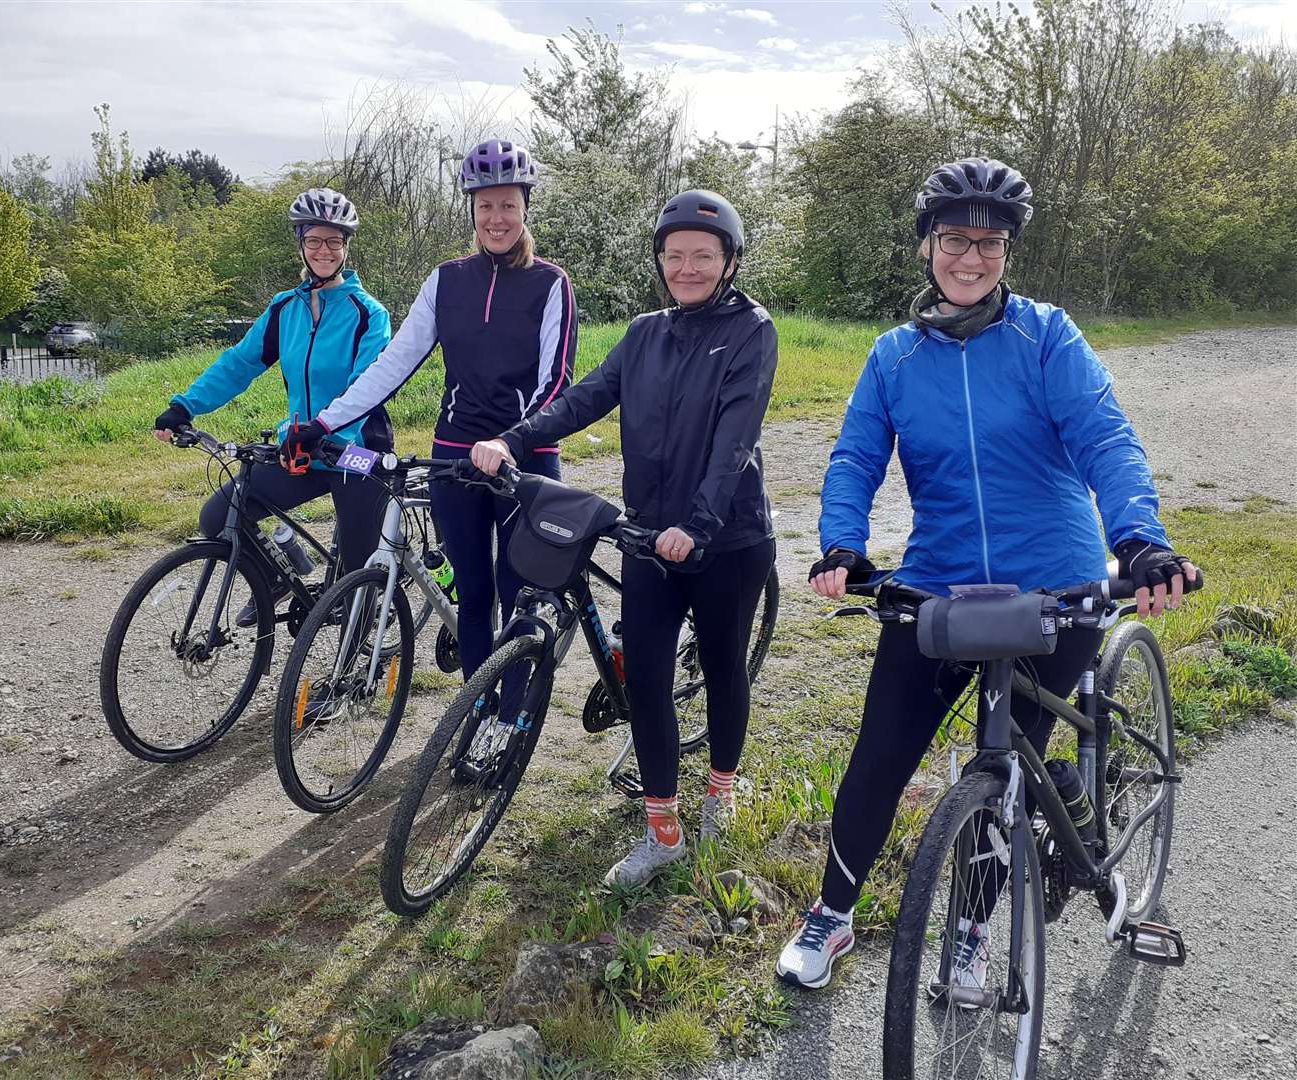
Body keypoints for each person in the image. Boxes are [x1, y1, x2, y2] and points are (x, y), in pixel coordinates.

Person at [774, 157, 1199, 991]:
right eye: (954, 239)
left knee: (1005, 761)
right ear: (926, 245)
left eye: (990, 242)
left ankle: (969, 934)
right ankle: (832, 916)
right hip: (941, 583)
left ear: (1008, 252)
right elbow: (857, 455)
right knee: (880, 755)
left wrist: (1140, 540)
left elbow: (1104, 438)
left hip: (1058, 584)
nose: (971, 258)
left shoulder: (1047, 336)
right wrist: (842, 546)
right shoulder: (894, 355)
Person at [471, 189, 778, 887]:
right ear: (660, 262)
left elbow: (736, 437)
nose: (688, 268)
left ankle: (722, 789)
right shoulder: (645, 332)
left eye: (703, 255)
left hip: (726, 540)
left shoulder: (753, 330)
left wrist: (697, 525)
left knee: (726, 667)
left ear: (729, 261)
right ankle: (661, 828)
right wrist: (512, 439)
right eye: (675, 256)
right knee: (646, 679)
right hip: (646, 538)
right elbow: (585, 397)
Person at [297, 139, 576, 689]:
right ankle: (475, 712)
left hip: (526, 458)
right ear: (471, 210)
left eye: (508, 205)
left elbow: (556, 382)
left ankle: (511, 719)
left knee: (516, 589)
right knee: (474, 593)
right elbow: (393, 363)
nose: (497, 218)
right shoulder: (446, 280)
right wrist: (324, 422)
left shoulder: (551, 283)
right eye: (485, 206)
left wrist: (512, 443)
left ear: (526, 208)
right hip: (455, 457)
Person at [153, 188, 393, 617]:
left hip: (356, 451)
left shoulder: (368, 313)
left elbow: (366, 387)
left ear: (346, 247)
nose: (324, 250)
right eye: (315, 240)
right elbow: (240, 363)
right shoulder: (285, 308)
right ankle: (278, 578)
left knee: (355, 582)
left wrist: (324, 433)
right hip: (300, 448)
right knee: (219, 515)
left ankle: (353, 672)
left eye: (334, 241)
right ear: (301, 243)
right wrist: (185, 406)